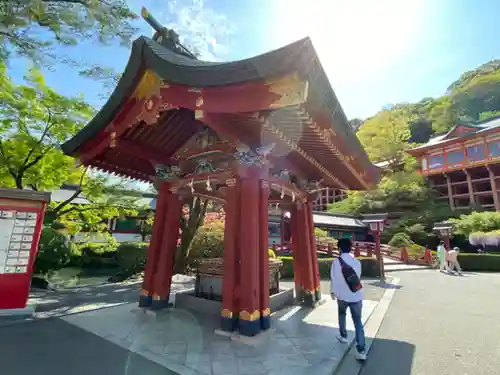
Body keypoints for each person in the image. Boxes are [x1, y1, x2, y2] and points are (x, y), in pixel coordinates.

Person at [330, 238, 367, 361]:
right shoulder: (357, 262)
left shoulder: (336, 262)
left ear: (339, 248)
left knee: (342, 314)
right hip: (356, 295)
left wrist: (333, 292)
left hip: (342, 296)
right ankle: (361, 350)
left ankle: (343, 336)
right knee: (358, 322)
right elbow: (357, 278)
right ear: (350, 248)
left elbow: (334, 279)